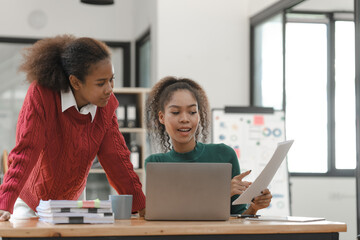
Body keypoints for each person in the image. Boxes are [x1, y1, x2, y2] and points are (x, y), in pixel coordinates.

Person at [0, 35, 145, 221]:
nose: (109, 89)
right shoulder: (42, 95)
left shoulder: (106, 106)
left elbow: (116, 157)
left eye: (111, 79)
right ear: (76, 82)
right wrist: (4, 202)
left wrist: (140, 204)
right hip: (31, 202)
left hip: (72, 203)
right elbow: (26, 151)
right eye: (101, 83)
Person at [145, 76, 272, 215]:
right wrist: (221, 193)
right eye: (175, 112)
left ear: (199, 115)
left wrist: (254, 208)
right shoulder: (156, 164)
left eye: (192, 112)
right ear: (161, 117)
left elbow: (238, 218)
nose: (185, 119)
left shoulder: (224, 154)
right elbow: (166, 215)